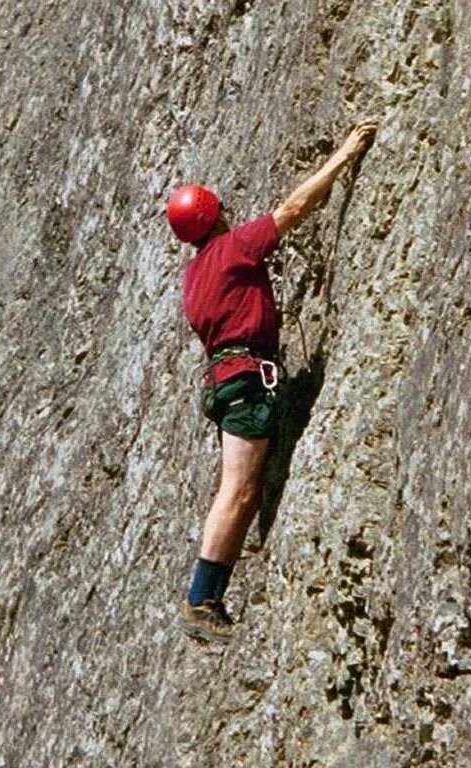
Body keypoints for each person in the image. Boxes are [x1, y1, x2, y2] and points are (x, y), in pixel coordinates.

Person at [168, 121, 378, 643]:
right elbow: (291, 210)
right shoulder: (234, 249)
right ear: (214, 215)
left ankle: (205, 595)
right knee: (238, 491)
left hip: (229, 380)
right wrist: (343, 156)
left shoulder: (194, 276)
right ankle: (201, 599)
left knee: (238, 488)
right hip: (245, 381)